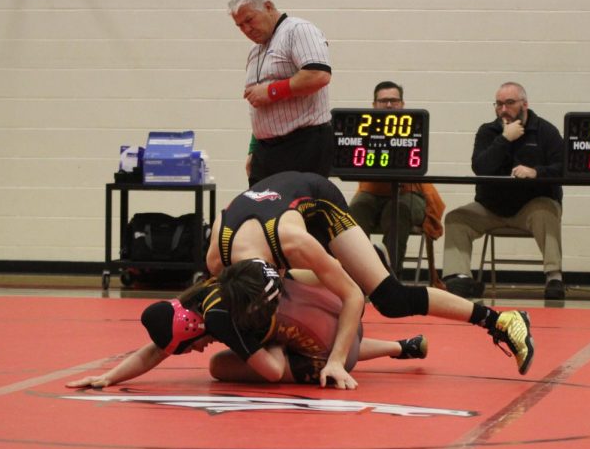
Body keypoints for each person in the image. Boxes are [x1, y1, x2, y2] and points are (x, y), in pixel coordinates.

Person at [206, 170, 535, 390]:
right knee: (294, 302)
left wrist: (335, 362)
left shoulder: (295, 241)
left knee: (391, 300)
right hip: (272, 217)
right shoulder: (216, 258)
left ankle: (501, 321)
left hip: (317, 200)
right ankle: (340, 269)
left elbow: (353, 297)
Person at [65, 270, 429, 390]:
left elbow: (271, 373)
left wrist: (266, 343)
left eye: (187, 347)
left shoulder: (221, 319)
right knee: (266, 339)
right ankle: (401, 347)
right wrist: (108, 378)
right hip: (339, 312)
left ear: (191, 327)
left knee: (220, 367)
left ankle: (394, 348)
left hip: (329, 353)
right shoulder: (207, 290)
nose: (193, 350)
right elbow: (156, 350)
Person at [441, 82, 565, 300]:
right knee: (456, 218)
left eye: (509, 103)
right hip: (491, 208)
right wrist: (505, 139)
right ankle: (459, 278)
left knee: (547, 211)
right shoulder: (488, 132)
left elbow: (563, 167)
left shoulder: (545, 131)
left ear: (524, 104)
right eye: (498, 104)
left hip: (531, 207)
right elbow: (480, 167)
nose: (503, 109)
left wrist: (536, 172)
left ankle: (554, 277)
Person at [228, 0, 334, 185]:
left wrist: (271, 91)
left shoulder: (298, 30)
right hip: (266, 150)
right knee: (260, 213)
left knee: (295, 214)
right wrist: (254, 148)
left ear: (268, 7)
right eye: (240, 26)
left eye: (249, 20)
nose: (246, 29)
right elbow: (258, 103)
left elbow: (318, 75)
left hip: (303, 144)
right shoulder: (255, 50)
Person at [347, 81, 446, 273]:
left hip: (409, 193)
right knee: (356, 209)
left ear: (402, 104)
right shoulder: (362, 127)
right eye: (383, 101)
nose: (389, 105)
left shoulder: (414, 126)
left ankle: (389, 274)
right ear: (374, 105)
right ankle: (358, 272)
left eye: (393, 100)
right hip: (372, 192)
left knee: (396, 211)